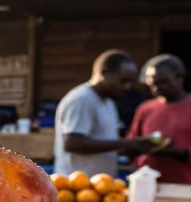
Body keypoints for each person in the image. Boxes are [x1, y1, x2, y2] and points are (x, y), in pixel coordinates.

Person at [53, 50, 156, 178]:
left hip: (101, 185)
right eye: (123, 81)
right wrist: (125, 143)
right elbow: (73, 143)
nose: (127, 87)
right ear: (104, 74)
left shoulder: (108, 102)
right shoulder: (82, 99)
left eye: (130, 82)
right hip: (76, 186)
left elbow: (107, 137)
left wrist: (138, 143)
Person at [129, 54, 191, 185]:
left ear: (180, 77)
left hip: (187, 185)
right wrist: (143, 147)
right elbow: (132, 142)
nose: (157, 89)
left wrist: (180, 152)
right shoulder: (145, 109)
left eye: (163, 82)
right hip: (147, 185)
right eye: (153, 85)